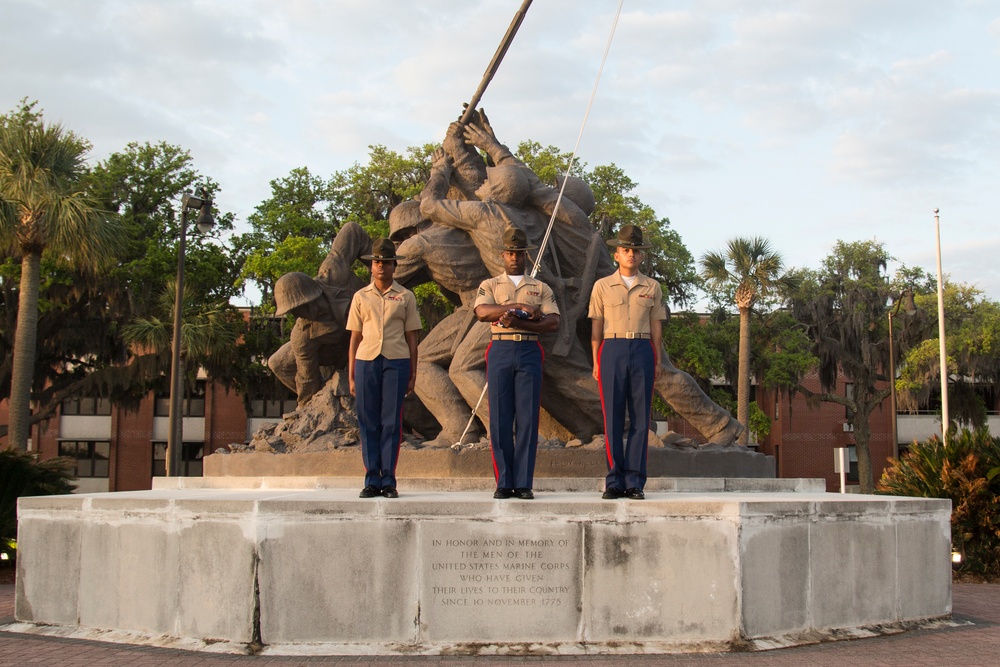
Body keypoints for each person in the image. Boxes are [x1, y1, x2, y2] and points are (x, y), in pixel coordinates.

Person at [473, 227, 560, 500]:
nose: (514, 257)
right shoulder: (490, 285)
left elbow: (552, 321)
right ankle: (503, 481)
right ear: (502, 254)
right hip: (500, 348)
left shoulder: (540, 287)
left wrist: (520, 320)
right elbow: (482, 311)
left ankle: (523, 482)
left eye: (519, 253)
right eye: (510, 252)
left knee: (527, 419)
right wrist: (516, 306)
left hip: (529, 350)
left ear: (527, 256)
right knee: (499, 419)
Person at [589, 225, 668, 500]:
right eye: (626, 250)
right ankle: (614, 480)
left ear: (642, 256)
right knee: (612, 418)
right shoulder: (601, 286)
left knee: (640, 419)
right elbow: (596, 326)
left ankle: (634, 481)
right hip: (612, 348)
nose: (631, 254)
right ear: (617, 254)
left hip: (642, 348)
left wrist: (657, 360)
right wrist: (596, 360)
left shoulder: (652, 287)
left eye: (636, 250)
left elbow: (657, 325)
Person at [347, 238, 422, 499]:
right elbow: (355, 337)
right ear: (371, 266)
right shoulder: (360, 297)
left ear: (394, 266)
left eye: (386, 262)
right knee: (368, 421)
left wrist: (413, 372)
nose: (381, 266)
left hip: (396, 362)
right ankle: (371, 480)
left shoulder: (405, 296)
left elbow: (412, 338)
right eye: (377, 262)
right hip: (366, 361)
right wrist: (352, 374)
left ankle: (388, 480)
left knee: (391, 421)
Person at [268, 222, 370, 406]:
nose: (297, 314)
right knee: (277, 363)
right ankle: (327, 399)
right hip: (337, 350)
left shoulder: (333, 273)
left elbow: (353, 230)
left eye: (299, 308)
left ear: (310, 298)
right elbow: (307, 378)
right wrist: (313, 403)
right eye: (293, 311)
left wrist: (378, 273)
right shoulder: (303, 333)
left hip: (374, 333)